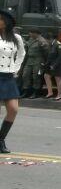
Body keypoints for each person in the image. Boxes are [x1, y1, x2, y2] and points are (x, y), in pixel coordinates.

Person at [0, 10, 26, 153]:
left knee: (13, 109)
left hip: (8, 76)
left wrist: (16, 68)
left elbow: (22, 53)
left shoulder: (16, 38)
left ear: (6, 22)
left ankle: (1, 139)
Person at [20, 28, 48, 98]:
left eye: (31, 33)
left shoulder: (42, 41)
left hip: (38, 60)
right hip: (29, 60)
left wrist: (44, 62)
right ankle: (26, 91)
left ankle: (36, 92)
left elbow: (46, 52)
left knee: (36, 76)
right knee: (25, 75)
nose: (29, 34)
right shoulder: (30, 39)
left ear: (35, 33)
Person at [43, 32, 61, 100]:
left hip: (57, 64)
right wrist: (46, 64)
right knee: (46, 75)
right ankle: (50, 92)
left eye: (46, 39)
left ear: (50, 39)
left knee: (58, 78)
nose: (45, 41)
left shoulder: (58, 44)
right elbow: (50, 56)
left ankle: (59, 95)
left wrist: (54, 65)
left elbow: (60, 57)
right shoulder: (51, 44)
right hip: (51, 64)